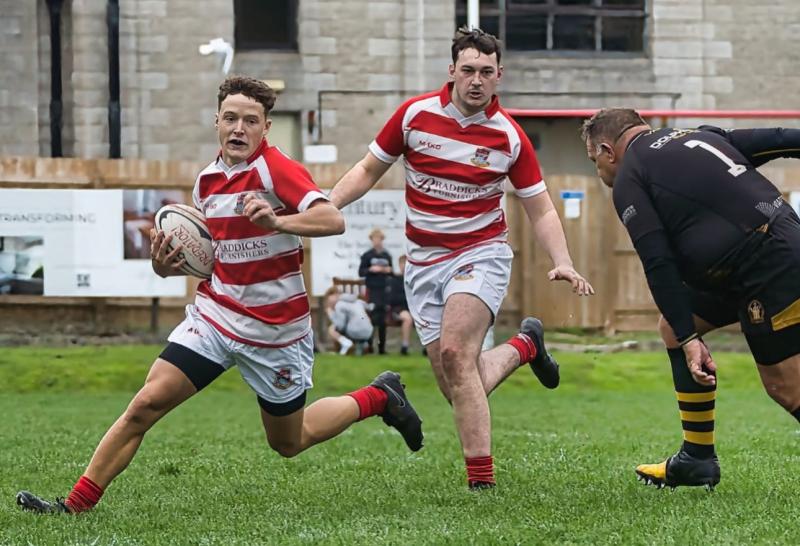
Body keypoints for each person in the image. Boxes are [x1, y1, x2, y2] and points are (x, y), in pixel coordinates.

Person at [16, 75, 423, 515]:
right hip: (216, 317)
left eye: (251, 121)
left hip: (275, 333)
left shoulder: (276, 169)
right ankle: (74, 505)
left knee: (289, 441)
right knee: (145, 404)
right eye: (231, 118)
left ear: (265, 128)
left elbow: (331, 220)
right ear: (216, 122)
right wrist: (162, 264)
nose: (239, 129)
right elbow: (205, 262)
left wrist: (278, 222)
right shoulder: (206, 182)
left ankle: (380, 397)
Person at [329, 27, 593, 489]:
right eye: (467, 70)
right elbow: (369, 169)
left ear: (499, 77)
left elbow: (540, 205)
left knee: (455, 352)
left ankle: (482, 482)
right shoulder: (414, 116)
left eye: (486, 72)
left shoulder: (509, 137)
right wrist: (326, 206)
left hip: (480, 254)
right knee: (457, 385)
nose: (476, 80)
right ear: (451, 71)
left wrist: (563, 259)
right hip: (423, 263)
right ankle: (524, 346)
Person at [581, 107, 800, 490]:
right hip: (767, 252)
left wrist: (689, 341)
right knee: (672, 325)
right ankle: (697, 458)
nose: (598, 173)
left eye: (594, 161)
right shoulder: (700, 135)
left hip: (766, 266)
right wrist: (683, 332)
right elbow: (781, 138)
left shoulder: (631, 174)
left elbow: (658, 262)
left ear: (607, 149)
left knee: (785, 385)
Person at [358, 228, 393, 354]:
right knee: (372, 318)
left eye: (379, 239)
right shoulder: (367, 255)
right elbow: (361, 272)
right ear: (371, 240)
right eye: (375, 239)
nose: (377, 241)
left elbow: (391, 271)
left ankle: (382, 348)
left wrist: (387, 270)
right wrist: (371, 269)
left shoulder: (386, 255)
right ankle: (369, 346)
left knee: (383, 320)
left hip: (384, 290)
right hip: (372, 290)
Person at [323, 286, 374, 355]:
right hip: (369, 331)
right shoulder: (357, 300)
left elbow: (340, 326)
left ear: (335, 295)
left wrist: (331, 313)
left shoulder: (339, 304)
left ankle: (346, 343)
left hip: (355, 332)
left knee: (331, 328)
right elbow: (370, 307)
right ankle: (363, 344)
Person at [386, 255, 414, 355]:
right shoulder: (394, 280)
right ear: (399, 265)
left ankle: (426, 348)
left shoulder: (413, 280)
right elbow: (392, 299)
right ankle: (405, 346)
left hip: (412, 308)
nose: (404, 266)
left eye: (406, 264)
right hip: (398, 309)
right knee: (408, 319)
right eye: (402, 264)